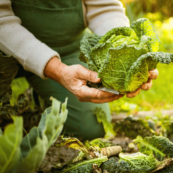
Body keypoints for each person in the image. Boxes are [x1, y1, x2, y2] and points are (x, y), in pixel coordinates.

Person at [0, 0, 158, 140]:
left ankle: (39, 98)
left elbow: (105, 8)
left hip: (65, 50)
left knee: (89, 128)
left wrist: (127, 51)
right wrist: (57, 70)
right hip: (4, 50)